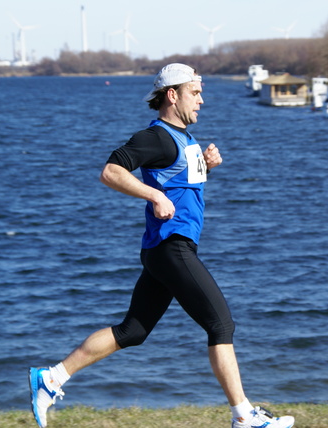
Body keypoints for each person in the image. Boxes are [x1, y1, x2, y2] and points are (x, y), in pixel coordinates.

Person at [28, 63, 295, 428]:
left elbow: (180, 186)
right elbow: (111, 171)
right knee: (221, 324)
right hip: (172, 248)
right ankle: (243, 415)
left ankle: (51, 378)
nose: (202, 100)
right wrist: (153, 194)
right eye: (195, 93)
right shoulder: (156, 138)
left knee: (132, 332)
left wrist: (207, 167)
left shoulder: (183, 139)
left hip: (164, 250)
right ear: (173, 95)